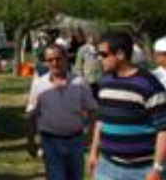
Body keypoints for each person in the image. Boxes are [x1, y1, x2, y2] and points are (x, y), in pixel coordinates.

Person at [88, 32, 166, 180]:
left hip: (142, 171)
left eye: (103, 55)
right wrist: (93, 152)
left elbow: (164, 129)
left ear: (120, 54)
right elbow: (100, 119)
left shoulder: (149, 84)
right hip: (107, 166)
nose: (99, 59)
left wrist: (157, 168)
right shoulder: (104, 81)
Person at [26, 44, 96, 180]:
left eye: (58, 58)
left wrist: (91, 134)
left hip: (75, 141)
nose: (54, 63)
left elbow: (92, 110)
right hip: (50, 142)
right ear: (45, 62)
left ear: (66, 59)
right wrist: (30, 140)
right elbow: (33, 114)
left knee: (75, 177)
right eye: (50, 60)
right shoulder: (39, 84)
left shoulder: (79, 83)